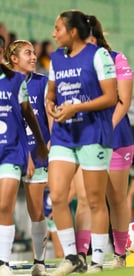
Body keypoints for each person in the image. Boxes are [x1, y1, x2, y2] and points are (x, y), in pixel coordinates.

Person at [45, 10, 117, 275]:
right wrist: (52, 108)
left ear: (73, 31)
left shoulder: (98, 56)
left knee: (95, 200)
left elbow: (111, 97)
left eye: (57, 28)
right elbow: (51, 95)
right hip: (64, 135)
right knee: (57, 197)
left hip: (93, 134)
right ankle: (73, 257)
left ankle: (97, 259)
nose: (53, 34)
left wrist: (77, 108)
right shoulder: (55, 59)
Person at [70, 16, 134, 269]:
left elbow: (124, 100)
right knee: (85, 199)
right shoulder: (72, 64)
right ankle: (80, 256)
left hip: (117, 138)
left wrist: (105, 129)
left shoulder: (117, 58)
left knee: (116, 198)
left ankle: (120, 254)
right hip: (84, 139)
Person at [0, 35, 48, 276]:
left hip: (26, 151)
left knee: (34, 210)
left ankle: (38, 262)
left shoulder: (38, 82)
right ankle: (3, 262)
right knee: (3, 206)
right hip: (11, 150)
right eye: (27, 53)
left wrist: (43, 145)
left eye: (33, 52)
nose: (33, 56)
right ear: (13, 57)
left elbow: (38, 115)